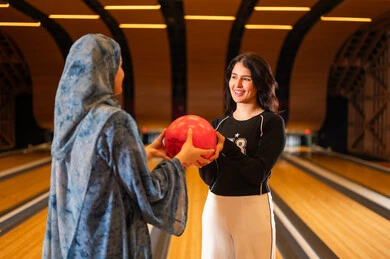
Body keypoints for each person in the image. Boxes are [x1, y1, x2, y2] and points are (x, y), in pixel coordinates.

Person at [42, 33, 215, 258]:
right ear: (104, 70)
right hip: (108, 241)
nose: (123, 73)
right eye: (120, 65)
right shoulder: (115, 121)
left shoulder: (70, 118)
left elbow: (94, 166)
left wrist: (146, 153)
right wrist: (179, 161)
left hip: (76, 240)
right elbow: (148, 193)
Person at [199, 52, 286, 259]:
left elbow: (257, 173)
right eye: (233, 77)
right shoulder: (218, 124)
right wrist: (202, 160)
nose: (237, 84)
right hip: (216, 206)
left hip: (252, 208)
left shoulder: (270, 123)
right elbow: (210, 178)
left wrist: (227, 147)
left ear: (259, 83)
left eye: (246, 78)